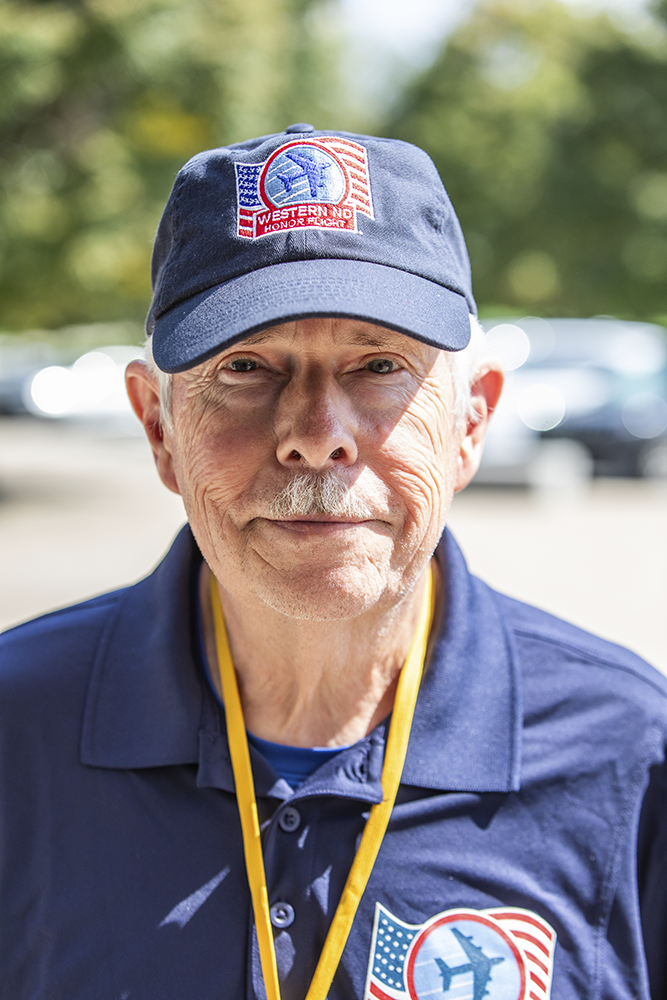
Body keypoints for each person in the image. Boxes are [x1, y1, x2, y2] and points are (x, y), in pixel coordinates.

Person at [1, 124, 666, 1000]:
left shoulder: (630, 754)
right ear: (158, 427)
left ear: (471, 422)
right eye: (245, 368)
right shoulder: (16, 732)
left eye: (379, 365)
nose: (316, 439)